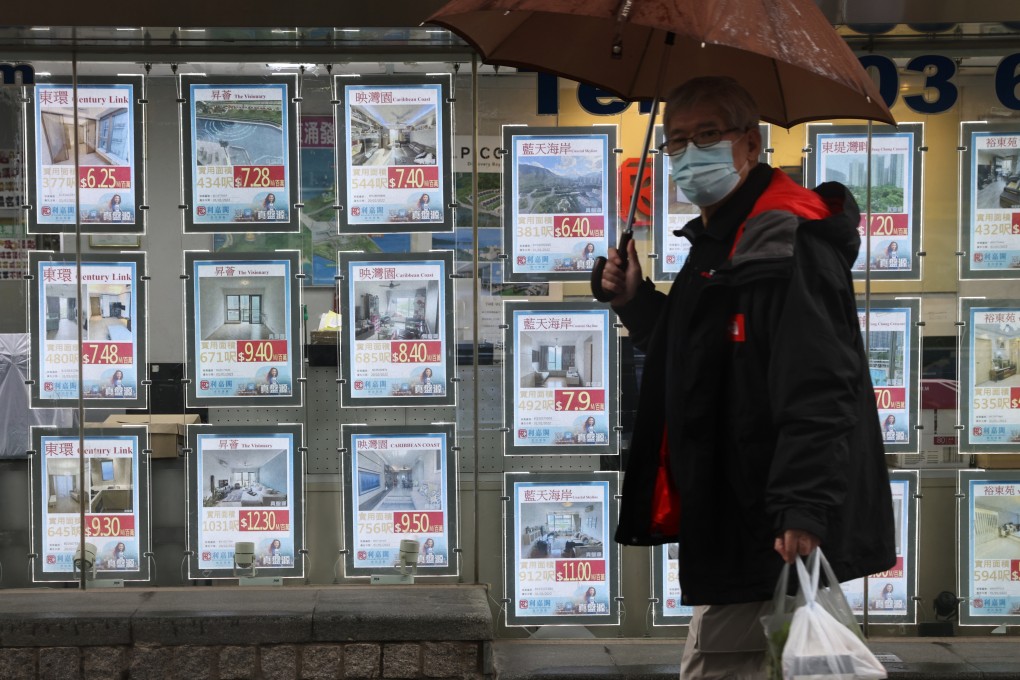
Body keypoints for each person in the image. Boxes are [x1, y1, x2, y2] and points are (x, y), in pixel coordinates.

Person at [599, 77, 895, 679]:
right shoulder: (721, 238)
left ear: (752, 142)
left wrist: (802, 509)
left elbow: (820, 383)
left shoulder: (780, 238)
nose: (689, 153)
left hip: (767, 524)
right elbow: (700, 361)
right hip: (735, 515)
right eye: (677, 141)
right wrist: (636, 301)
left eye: (708, 135)